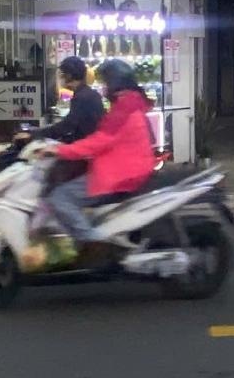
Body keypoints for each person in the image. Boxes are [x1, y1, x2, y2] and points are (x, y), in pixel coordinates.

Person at [44, 56, 156, 249]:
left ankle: (94, 245)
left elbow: (98, 141)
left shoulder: (123, 109)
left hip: (119, 174)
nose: (104, 89)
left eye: (105, 83)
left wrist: (59, 150)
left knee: (60, 197)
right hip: (129, 167)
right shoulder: (133, 103)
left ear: (114, 83)